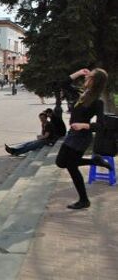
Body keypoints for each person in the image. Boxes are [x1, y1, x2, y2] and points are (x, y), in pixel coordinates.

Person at [55, 68, 112, 209]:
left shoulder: (97, 102)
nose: (86, 78)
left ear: (95, 81)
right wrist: (79, 73)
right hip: (72, 134)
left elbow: (101, 126)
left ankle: (84, 200)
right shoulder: (81, 94)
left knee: (70, 166)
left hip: (81, 137)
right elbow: (63, 84)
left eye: (90, 76)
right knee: (61, 162)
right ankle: (95, 161)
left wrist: (83, 125)